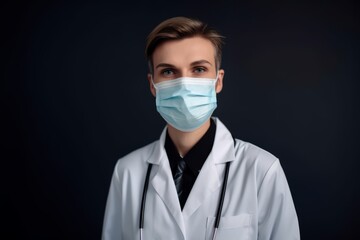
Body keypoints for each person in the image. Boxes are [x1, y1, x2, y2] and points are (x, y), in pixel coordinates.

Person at [102, 16, 300, 240]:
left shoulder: (262, 170)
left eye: (198, 69)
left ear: (218, 81)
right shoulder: (127, 172)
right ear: (152, 85)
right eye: (168, 71)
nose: (184, 84)